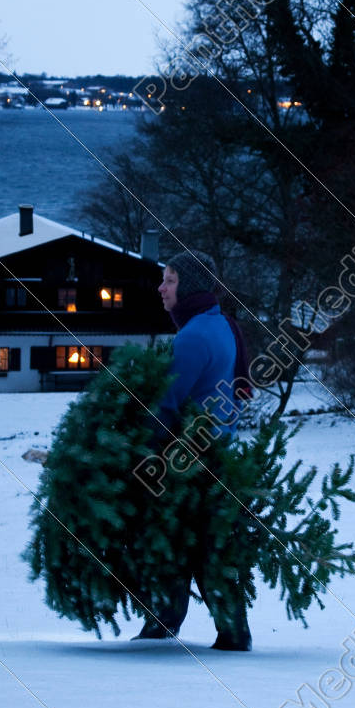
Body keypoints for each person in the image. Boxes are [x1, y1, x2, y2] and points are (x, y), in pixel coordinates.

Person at [134, 249, 254, 650]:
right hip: (218, 455)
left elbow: (168, 402)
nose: (161, 287)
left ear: (189, 287)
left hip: (190, 462)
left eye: (170, 280)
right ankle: (229, 631)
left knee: (179, 541)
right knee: (206, 546)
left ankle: (163, 628)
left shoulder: (194, 336)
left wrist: (143, 449)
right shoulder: (222, 326)